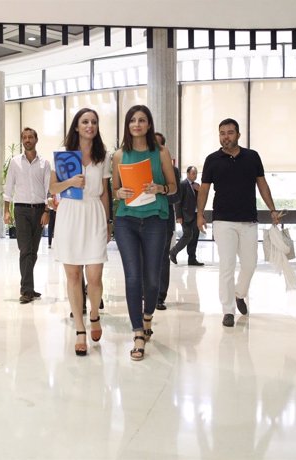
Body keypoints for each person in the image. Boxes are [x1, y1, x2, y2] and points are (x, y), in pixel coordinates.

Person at [197, 118, 281, 328]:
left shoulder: (252, 157)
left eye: (230, 132)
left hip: (249, 220)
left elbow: (262, 185)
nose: (226, 136)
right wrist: (200, 214)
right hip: (223, 220)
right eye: (222, 133)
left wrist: (272, 209)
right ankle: (227, 311)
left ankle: (239, 294)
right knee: (227, 265)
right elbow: (205, 190)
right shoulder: (212, 160)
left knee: (250, 264)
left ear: (238, 135)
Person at [112, 105, 178, 360]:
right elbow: (116, 190)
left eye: (142, 120)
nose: (137, 124)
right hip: (126, 220)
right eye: (132, 120)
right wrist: (118, 193)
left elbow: (173, 188)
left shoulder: (160, 152)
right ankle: (138, 332)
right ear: (127, 125)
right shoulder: (119, 155)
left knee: (152, 278)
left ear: (149, 125)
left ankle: (148, 315)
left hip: (154, 220)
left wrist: (159, 188)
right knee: (132, 277)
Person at [50, 108, 111, 356]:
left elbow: (105, 191)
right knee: (73, 276)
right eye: (85, 121)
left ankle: (94, 314)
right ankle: (79, 329)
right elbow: (53, 187)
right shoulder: (64, 156)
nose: (90, 125)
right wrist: (70, 183)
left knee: (95, 276)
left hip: (94, 213)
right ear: (76, 126)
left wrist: (108, 222)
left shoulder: (102, 156)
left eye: (94, 122)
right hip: (69, 214)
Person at [3, 127, 51, 304]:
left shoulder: (44, 163)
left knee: (34, 251)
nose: (27, 140)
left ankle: (29, 287)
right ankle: (26, 290)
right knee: (25, 250)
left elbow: (48, 189)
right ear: (22, 141)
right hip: (21, 210)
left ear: (36, 139)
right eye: (24, 137)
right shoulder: (15, 162)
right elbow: (8, 187)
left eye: (31, 137)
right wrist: (6, 210)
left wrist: (47, 211)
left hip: (39, 210)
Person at [154, 132, 180, 311]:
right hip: (142, 218)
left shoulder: (173, 171)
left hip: (164, 220)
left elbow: (176, 196)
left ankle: (160, 296)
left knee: (162, 259)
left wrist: (159, 191)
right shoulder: (139, 167)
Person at [170, 165, 203, 266]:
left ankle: (192, 259)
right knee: (188, 235)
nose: (195, 175)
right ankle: (173, 252)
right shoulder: (182, 184)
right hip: (185, 215)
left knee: (195, 236)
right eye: (193, 173)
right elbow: (178, 201)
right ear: (188, 174)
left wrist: (200, 190)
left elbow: (200, 201)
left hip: (196, 214)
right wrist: (179, 216)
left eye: (196, 173)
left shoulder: (197, 185)